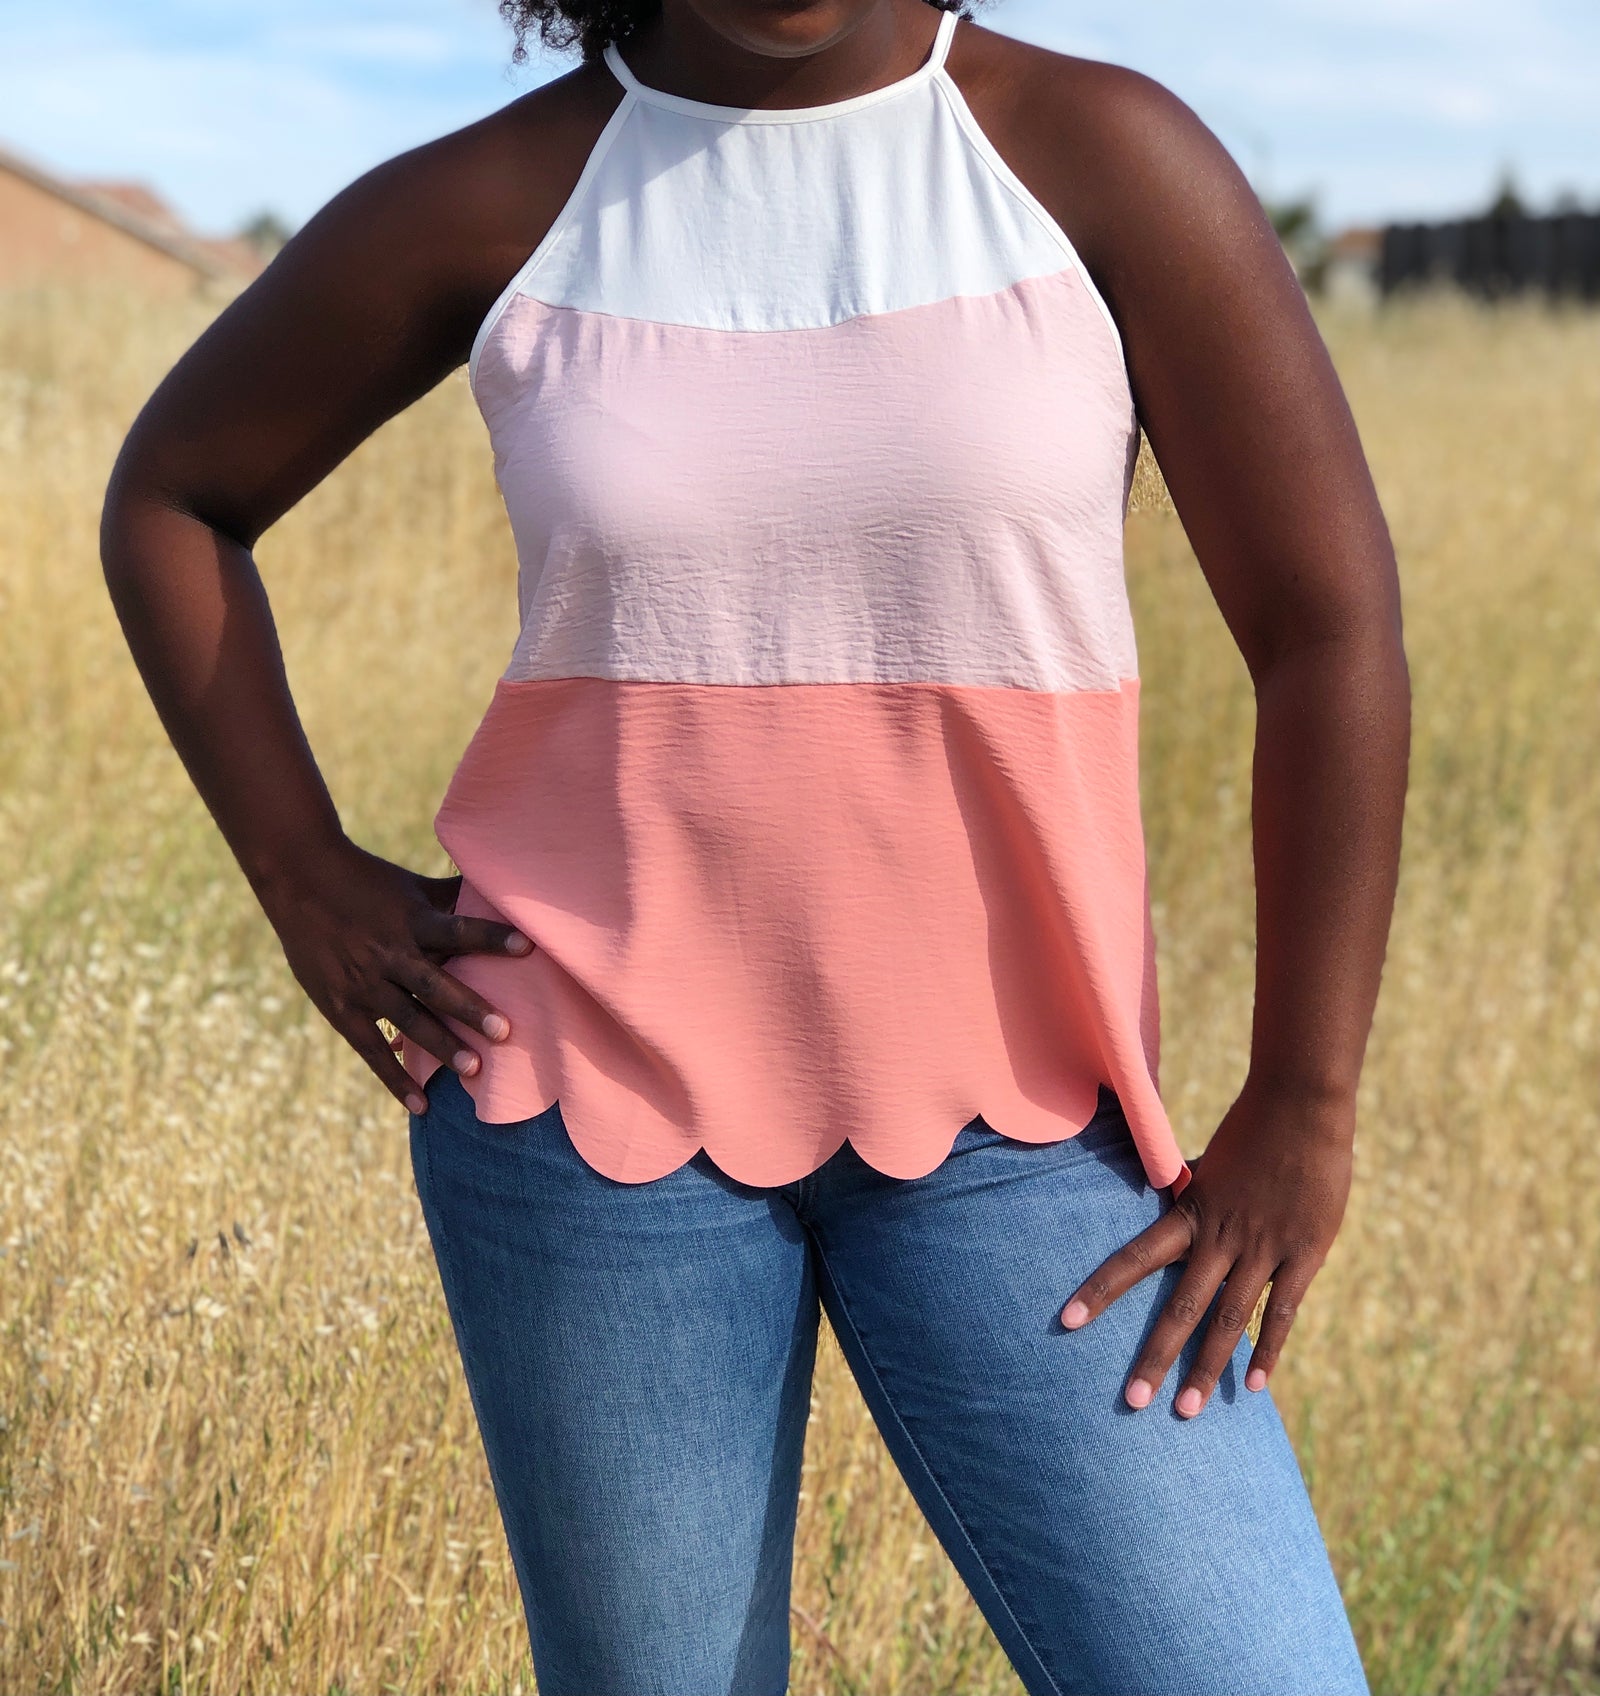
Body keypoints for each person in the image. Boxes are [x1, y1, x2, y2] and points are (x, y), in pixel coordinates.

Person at [99, 0, 1410, 1690]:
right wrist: (298, 874)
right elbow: (175, 495)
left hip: (1020, 1121)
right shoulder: (499, 198)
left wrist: (1307, 1099)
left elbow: (1329, 626)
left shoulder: (1098, 158)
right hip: (585, 1120)